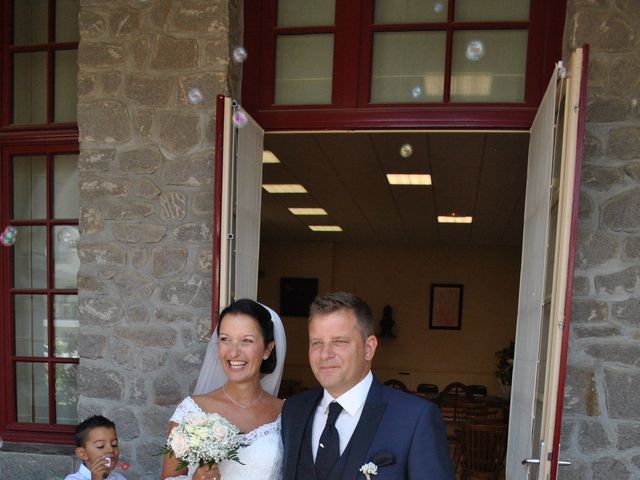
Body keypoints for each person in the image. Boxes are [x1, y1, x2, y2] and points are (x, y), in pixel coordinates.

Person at [281, 292, 454, 480]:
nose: (325, 354)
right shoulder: (293, 411)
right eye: (316, 343)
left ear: (369, 348)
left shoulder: (415, 419)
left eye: (339, 342)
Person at [162, 299, 287, 480]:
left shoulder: (286, 414)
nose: (233, 352)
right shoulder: (191, 411)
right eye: (225, 339)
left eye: (246, 340)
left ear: (267, 349)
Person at [65, 415, 127, 480]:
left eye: (114, 444)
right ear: (82, 453)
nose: (111, 450)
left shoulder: (119, 478)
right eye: (101, 446)